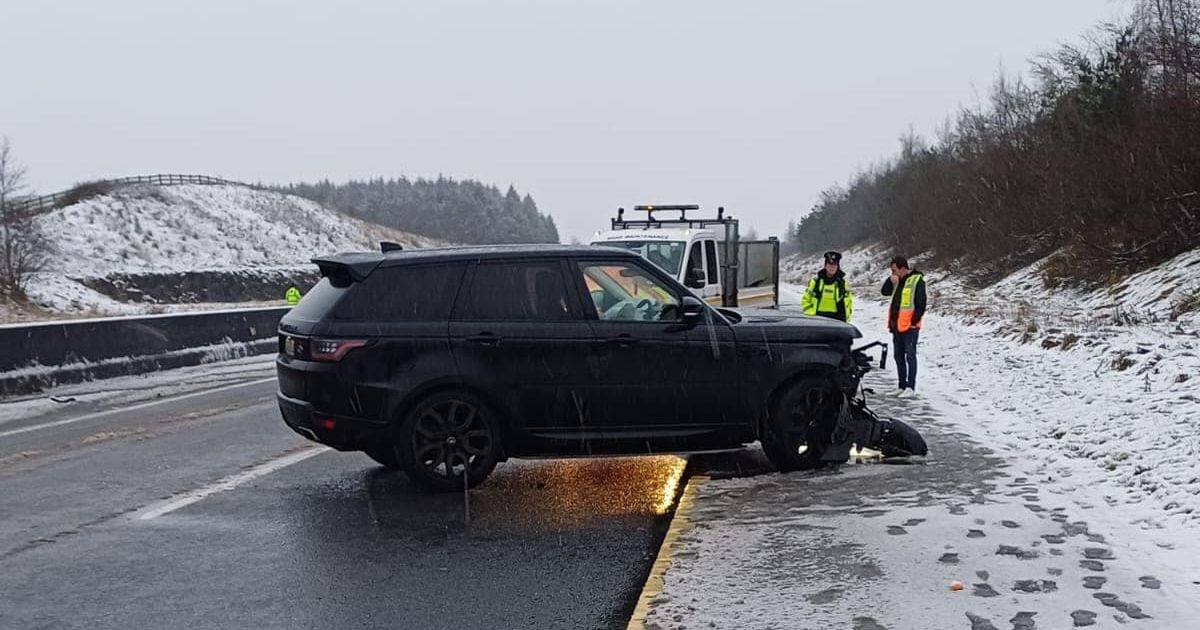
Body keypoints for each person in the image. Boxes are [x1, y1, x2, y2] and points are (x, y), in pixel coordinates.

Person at [881, 256, 926, 398]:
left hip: (910, 327)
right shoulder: (897, 281)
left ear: (902, 268)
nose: (892, 273)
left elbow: (921, 303)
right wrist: (890, 281)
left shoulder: (916, 280)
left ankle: (910, 387)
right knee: (898, 356)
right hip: (897, 326)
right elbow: (884, 292)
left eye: (894, 270)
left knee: (910, 356)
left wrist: (914, 320)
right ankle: (901, 385)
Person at [801, 251, 853, 322]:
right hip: (818, 319)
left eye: (835, 265)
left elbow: (849, 301)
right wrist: (811, 314)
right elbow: (805, 300)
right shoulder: (816, 282)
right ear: (825, 266)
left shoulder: (843, 283)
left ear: (838, 267)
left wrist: (847, 316)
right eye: (830, 264)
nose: (832, 267)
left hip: (837, 320)